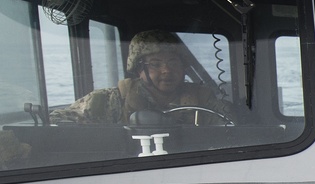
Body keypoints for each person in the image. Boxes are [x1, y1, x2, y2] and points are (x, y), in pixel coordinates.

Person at [49, 30, 237, 126]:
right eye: (155, 64)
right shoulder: (109, 100)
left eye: (173, 62)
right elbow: (57, 123)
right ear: (139, 69)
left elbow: (233, 127)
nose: (166, 70)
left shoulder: (204, 102)